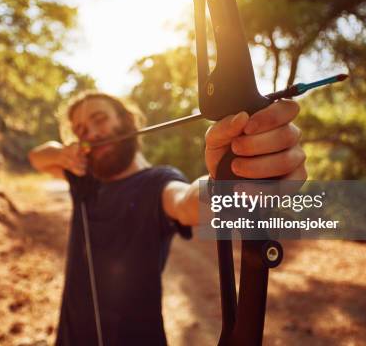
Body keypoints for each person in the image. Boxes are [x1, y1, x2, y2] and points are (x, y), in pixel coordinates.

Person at [28, 91, 306, 346]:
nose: (91, 133)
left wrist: (232, 180)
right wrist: (62, 154)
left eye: (99, 120)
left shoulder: (157, 183)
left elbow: (186, 202)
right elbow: (37, 158)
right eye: (80, 130)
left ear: (127, 120)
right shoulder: (83, 177)